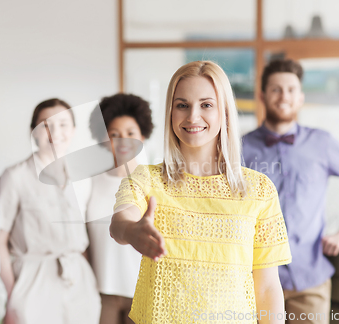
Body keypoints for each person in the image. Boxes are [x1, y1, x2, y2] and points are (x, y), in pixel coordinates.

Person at [110, 61, 292, 324]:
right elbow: (119, 222)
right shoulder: (147, 179)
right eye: (182, 105)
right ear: (170, 112)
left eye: (206, 105)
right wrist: (131, 231)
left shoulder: (259, 190)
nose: (193, 116)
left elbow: (266, 288)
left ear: (225, 113)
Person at [242, 59, 339, 324]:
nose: (285, 97)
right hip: (254, 279)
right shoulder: (240, 148)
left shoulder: (321, 143)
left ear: (301, 97)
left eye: (291, 90)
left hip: (310, 280)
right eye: (276, 89)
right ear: (262, 95)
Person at [0, 98, 100, 324]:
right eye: (45, 124)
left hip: (77, 279)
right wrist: (13, 291)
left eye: (63, 124)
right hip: (33, 279)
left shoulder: (83, 177)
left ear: (73, 130)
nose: (55, 132)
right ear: (33, 132)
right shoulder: (15, 176)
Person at [87, 94, 154, 324]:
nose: (123, 141)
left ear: (143, 135)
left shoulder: (154, 182)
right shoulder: (91, 183)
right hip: (101, 292)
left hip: (144, 291)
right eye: (114, 134)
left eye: (130, 133)